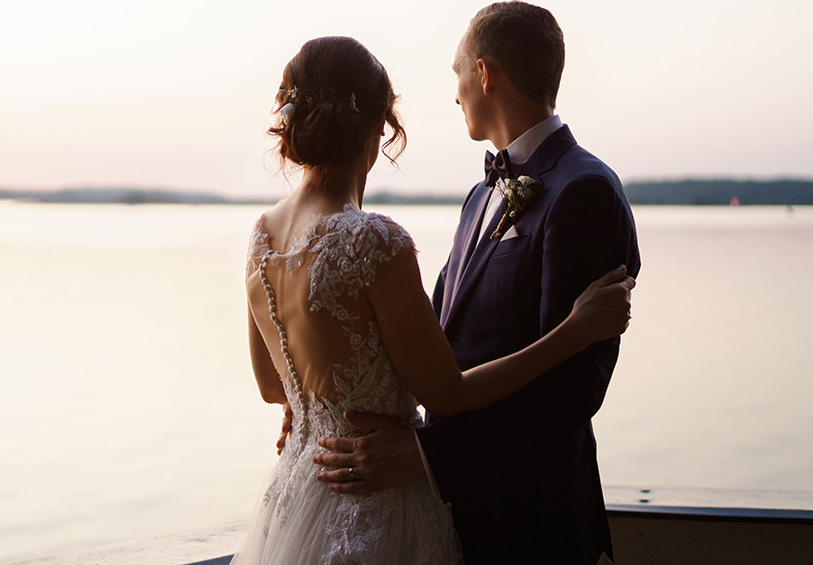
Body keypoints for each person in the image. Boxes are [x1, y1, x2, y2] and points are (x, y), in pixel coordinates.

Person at [233, 34, 634, 565]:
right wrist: (575, 330)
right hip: (375, 506)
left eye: (457, 73)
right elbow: (444, 388)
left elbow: (270, 385)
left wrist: (316, 400)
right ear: (380, 126)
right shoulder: (378, 237)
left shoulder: (263, 234)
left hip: (306, 493)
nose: (453, 93)